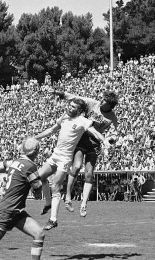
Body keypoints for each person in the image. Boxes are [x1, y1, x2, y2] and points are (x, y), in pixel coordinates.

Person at [34, 98, 109, 230]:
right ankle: (47, 203)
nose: (69, 108)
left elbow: (95, 132)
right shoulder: (64, 117)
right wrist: (35, 138)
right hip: (55, 155)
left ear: (79, 110)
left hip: (65, 159)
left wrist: (105, 141)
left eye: (73, 107)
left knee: (55, 186)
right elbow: (52, 130)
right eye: (69, 105)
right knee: (38, 178)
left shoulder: (83, 121)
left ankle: (53, 220)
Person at [50, 89, 119, 217]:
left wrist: (111, 139)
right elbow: (76, 98)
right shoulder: (93, 103)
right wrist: (62, 94)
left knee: (89, 174)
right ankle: (68, 196)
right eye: (102, 98)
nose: (101, 101)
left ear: (110, 105)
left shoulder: (112, 117)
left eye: (104, 100)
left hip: (94, 144)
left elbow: (114, 133)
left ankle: (83, 204)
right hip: (82, 139)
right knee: (76, 167)